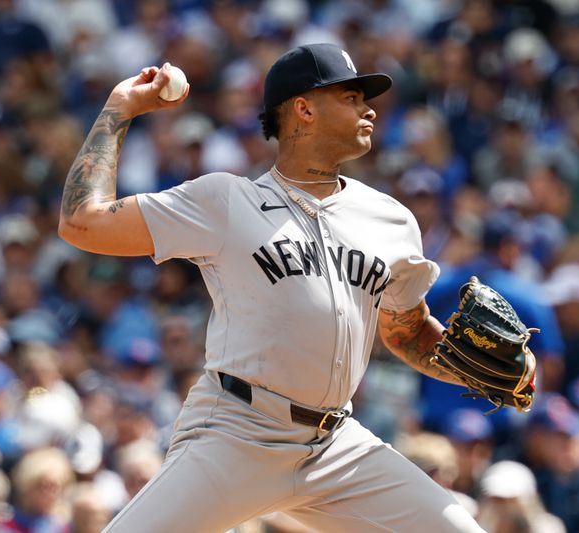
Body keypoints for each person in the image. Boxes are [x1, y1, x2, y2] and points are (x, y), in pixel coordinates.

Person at [58, 43, 485, 532]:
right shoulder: (225, 201)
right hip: (239, 430)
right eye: (350, 96)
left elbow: (406, 331)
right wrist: (120, 108)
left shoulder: (391, 220)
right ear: (303, 109)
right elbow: (82, 223)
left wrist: (481, 371)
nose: (368, 108)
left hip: (336, 445)